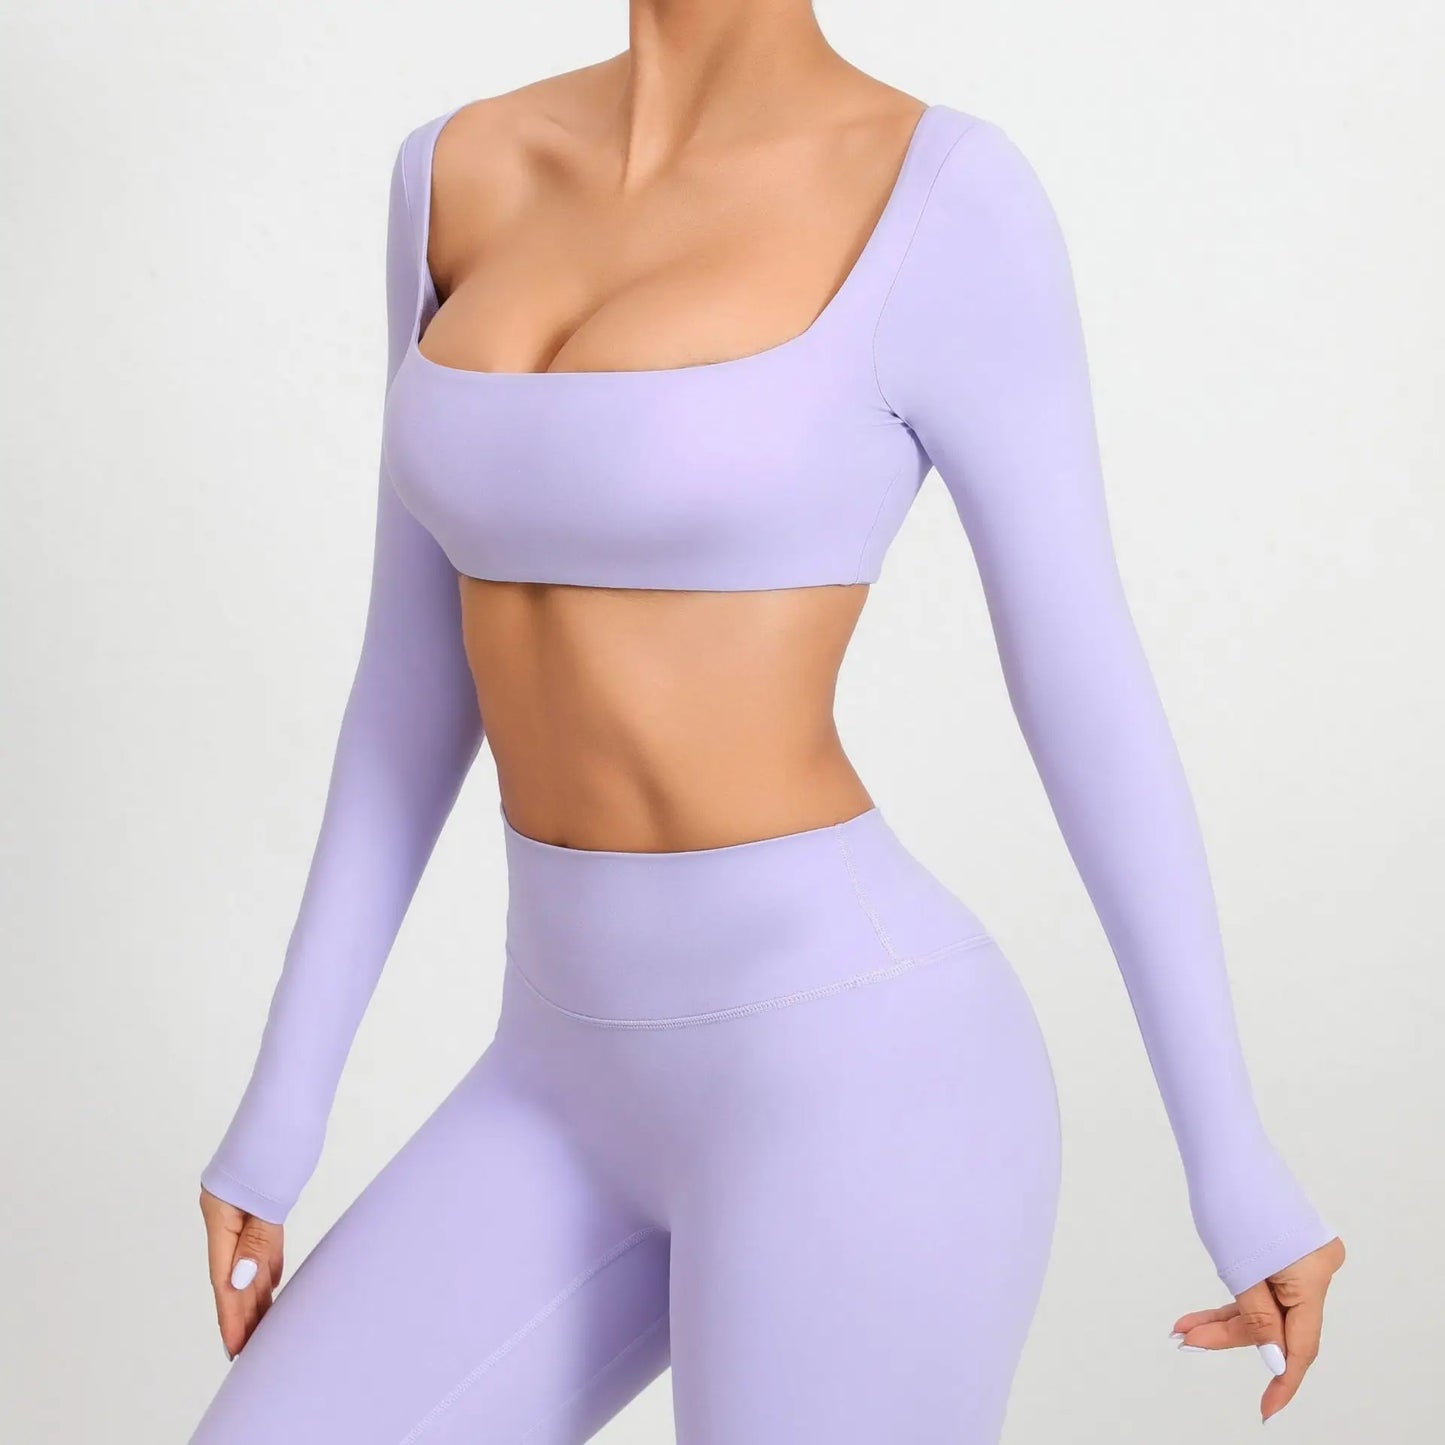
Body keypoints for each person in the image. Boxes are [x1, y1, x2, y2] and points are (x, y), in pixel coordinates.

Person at [190, 5, 1344, 1441]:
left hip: (856, 1070)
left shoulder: (941, 196)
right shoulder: (453, 171)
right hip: (552, 1074)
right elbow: (410, 683)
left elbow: (1083, 678)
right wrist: (281, 1115)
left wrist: (1233, 1163)